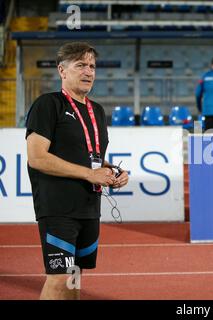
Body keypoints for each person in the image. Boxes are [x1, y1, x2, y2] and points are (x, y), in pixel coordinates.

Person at [26, 42, 129, 300]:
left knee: (74, 277)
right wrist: (88, 174)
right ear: (62, 70)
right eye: (81, 65)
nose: (88, 71)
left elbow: (91, 158)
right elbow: (36, 157)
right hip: (58, 207)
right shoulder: (48, 104)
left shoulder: (97, 110)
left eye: (92, 66)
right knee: (59, 278)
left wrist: (111, 171)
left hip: (89, 207)